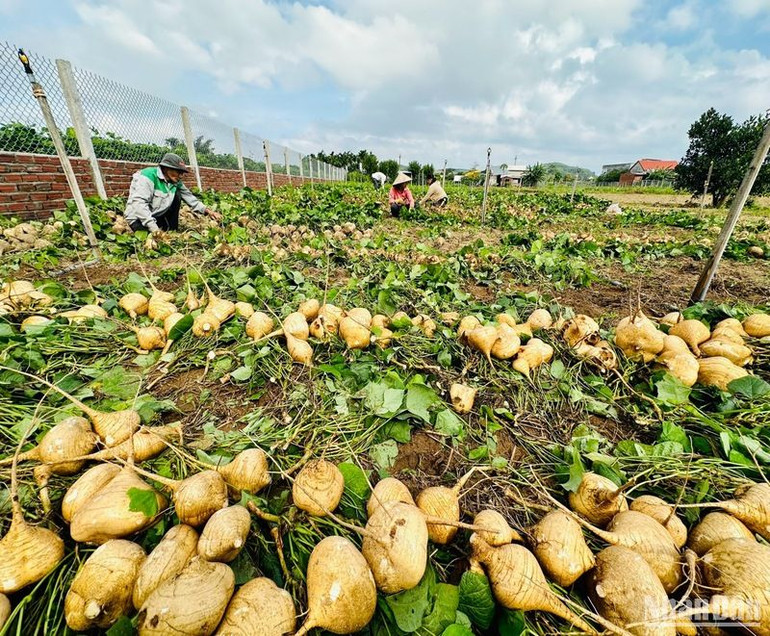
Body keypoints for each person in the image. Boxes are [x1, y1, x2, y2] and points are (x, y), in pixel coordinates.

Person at [124, 153, 221, 234]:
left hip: (156, 216)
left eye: (182, 173)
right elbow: (139, 205)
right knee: (152, 243)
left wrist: (208, 211)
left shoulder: (175, 182)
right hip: (139, 219)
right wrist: (155, 230)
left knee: (177, 194)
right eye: (178, 172)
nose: (181, 176)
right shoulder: (147, 176)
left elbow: (190, 197)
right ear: (166, 168)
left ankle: (172, 230)